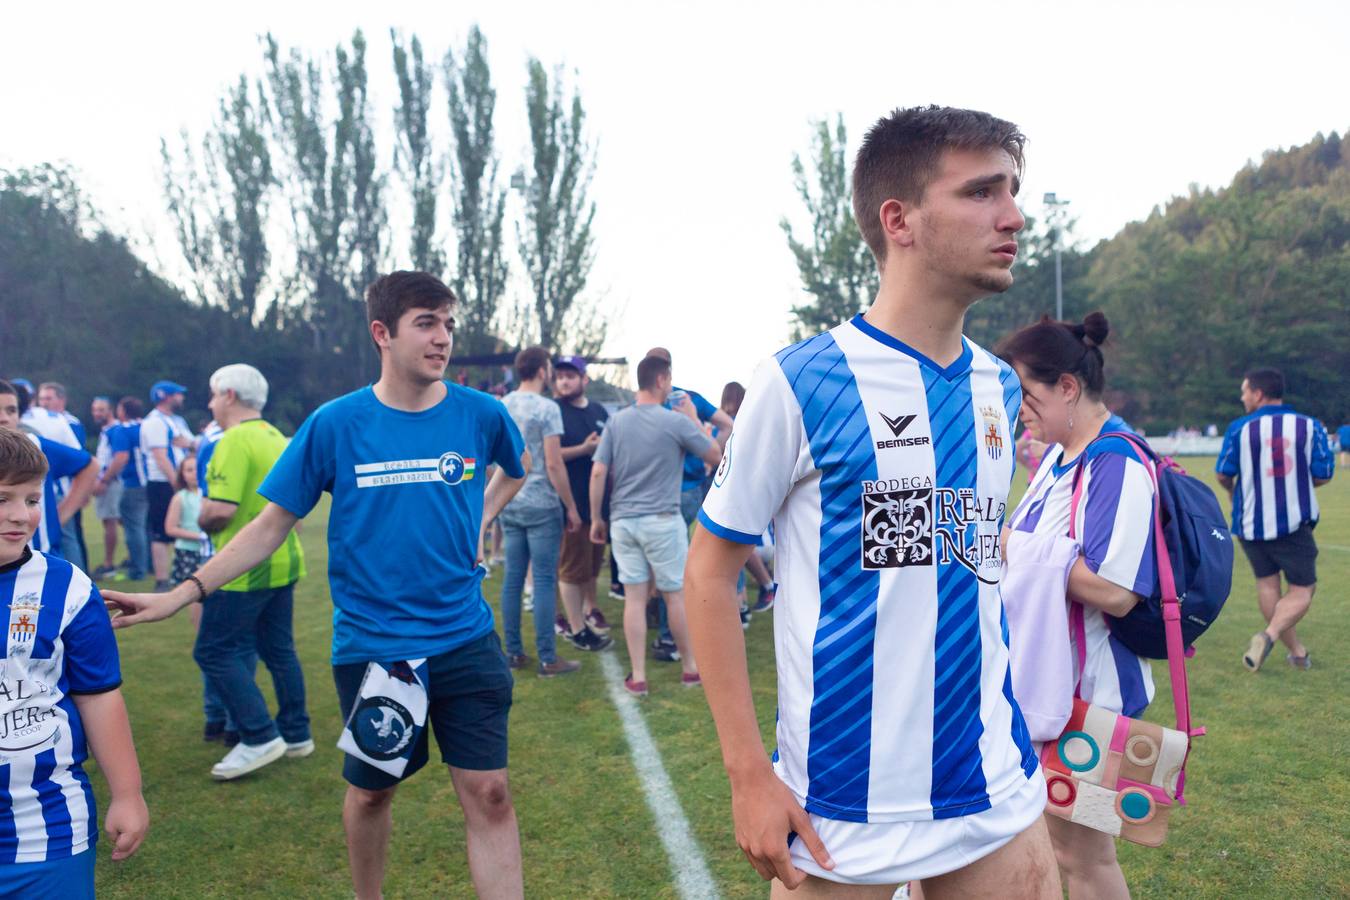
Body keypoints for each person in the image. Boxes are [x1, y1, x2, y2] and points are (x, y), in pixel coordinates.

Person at [685, 106, 1058, 898]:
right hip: (842, 806)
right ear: (901, 220)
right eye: (983, 192)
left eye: (1013, 190)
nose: (1014, 215)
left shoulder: (998, 384)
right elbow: (710, 574)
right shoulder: (799, 383)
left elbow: (962, 565)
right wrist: (749, 773)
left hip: (991, 781)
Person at [105, 271, 530, 900]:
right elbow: (268, 525)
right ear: (382, 333)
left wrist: (480, 518)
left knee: (491, 794)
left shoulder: (482, 414)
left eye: (447, 323)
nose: (442, 338)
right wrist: (182, 592)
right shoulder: (335, 425)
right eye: (426, 323)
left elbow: (513, 473)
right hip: (378, 650)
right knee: (372, 791)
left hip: (466, 637)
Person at [997, 312, 1156, 899]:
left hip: (1093, 696)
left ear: (1068, 387)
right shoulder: (1061, 458)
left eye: (1028, 397)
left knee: (1081, 854)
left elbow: (1118, 588)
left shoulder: (1116, 460)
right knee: (1054, 843)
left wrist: (1016, 545)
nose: (1022, 412)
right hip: (1052, 684)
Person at [0, 427, 148, 897]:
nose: (20, 515)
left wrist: (127, 794)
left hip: (47, 824)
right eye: (3, 498)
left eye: (30, 499)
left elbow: (99, 697)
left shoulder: (68, 587)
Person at [189, 363, 312, 779]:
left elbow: (220, 510)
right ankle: (297, 733)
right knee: (279, 651)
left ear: (228, 395)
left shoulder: (233, 441)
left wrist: (202, 516)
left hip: (244, 568)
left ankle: (259, 735)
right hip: (284, 559)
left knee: (212, 650)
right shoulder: (276, 436)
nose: (209, 404)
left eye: (211, 394)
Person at [589, 354, 720, 696]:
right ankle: (690, 668)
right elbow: (716, 456)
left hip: (623, 521)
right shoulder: (674, 422)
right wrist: (694, 419)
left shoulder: (617, 422)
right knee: (673, 597)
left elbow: (599, 471)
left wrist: (596, 518)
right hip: (662, 519)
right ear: (662, 380)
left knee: (634, 598)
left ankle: (638, 675)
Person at [1216, 368, 1335, 671]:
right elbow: (1323, 473)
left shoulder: (1239, 429)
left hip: (1250, 524)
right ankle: (1268, 636)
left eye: (1245, 391)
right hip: (1293, 522)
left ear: (1258, 394)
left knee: (1268, 587)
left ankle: (1297, 653)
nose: (1242, 398)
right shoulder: (1308, 426)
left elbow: (1223, 473)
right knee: (1302, 590)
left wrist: (1232, 492)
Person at [499, 347, 589, 674]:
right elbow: (553, 463)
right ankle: (548, 658)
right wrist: (572, 507)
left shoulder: (502, 404)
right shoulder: (547, 408)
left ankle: (514, 653)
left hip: (510, 500)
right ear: (541, 371)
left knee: (512, 579)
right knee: (543, 580)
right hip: (541, 503)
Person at [552, 355, 616, 645]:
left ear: (584, 379)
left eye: (570, 375)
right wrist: (585, 448)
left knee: (591, 566)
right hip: (571, 504)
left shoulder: (599, 410)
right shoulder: (555, 411)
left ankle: (591, 609)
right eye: (560, 376)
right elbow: (550, 458)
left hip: (598, 504)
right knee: (571, 567)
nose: (564, 381)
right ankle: (575, 626)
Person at [0, 381, 97, 562]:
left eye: (11, 410)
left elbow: (90, 465)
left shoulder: (35, 445)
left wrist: (61, 516)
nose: (4, 418)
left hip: (39, 560)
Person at [139, 380, 192, 590]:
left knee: (185, 525)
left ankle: (184, 572)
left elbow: (191, 443)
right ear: (166, 397)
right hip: (163, 483)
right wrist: (177, 483)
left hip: (180, 481)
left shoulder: (176, 420)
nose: (182, 398)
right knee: (161, 530)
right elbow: (160, 457)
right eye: (178, 394)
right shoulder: (155, 422)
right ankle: (162, 579)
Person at [37, 382, 90, 570]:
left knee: (68, 536)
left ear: (62, 400)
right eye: (41, 398)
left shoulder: (68, 422)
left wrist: (81, 491)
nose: (43, 402)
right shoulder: (39, 418)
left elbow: (80, 457)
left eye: (48, 398)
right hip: (45, 488)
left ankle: (80, 578)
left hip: (63, 488)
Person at [104, 397, 150, 581]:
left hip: (132, 483)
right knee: (145, 526)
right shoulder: (147, 426)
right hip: (151, 481)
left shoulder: (123, 430)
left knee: (134, 528)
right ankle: (149, 564)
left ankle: (138, 569)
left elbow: (121, 457)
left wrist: (106, 478)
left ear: (123, 411)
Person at [90, 396, 124, 579]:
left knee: (110, 521)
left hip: (112, 483)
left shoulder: (115, 430)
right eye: (95, 409)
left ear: (110, 410)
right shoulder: (106, 431)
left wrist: (103, 480)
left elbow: (119, 458)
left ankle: (109, 565)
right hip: (109, 481)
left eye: (101, 409)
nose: (97, 413)